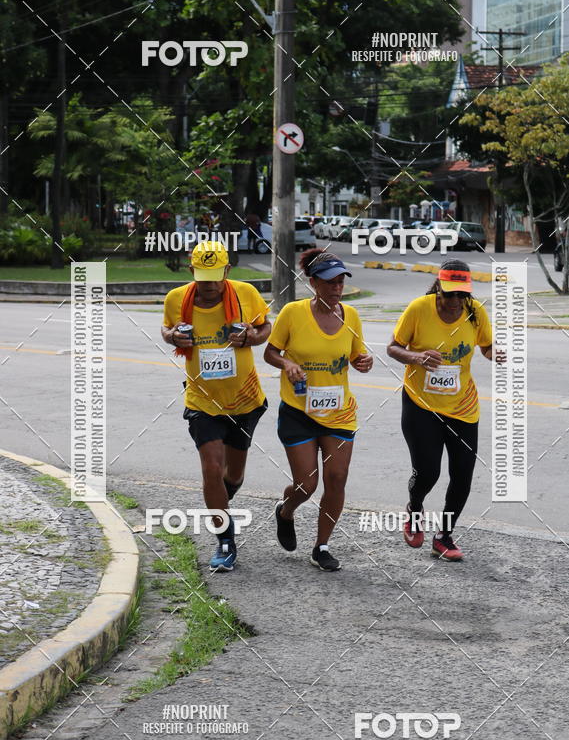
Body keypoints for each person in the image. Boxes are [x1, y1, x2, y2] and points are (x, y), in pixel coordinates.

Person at [161, 240, 271, 572]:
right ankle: (225, 540)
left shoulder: (244, 294)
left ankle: (219, 500)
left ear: (227, 270)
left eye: (215, 276)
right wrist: (172, 338)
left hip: (244, 400)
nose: (209, 285)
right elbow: (167, 329)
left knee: (232, 475)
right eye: (202, 276)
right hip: (202, 401)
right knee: (212, 468)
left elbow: (266, 326)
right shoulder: (177, 299)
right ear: (191, 270)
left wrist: (252, 336)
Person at [387, 259, 504, 561]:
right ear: (438, 287)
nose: (455, 301)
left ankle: (445, 535)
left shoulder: (475, 313)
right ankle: (414, 507)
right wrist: (416, 357)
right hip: (420, 405)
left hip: (463, 407)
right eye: (449, 294)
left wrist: (496, 353)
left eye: (461, 295)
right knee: (428, 472)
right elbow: (393, 347)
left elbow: (486, 346)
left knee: (462, 475)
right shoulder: (418, 309)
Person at [264, 248, 373, 571]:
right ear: (313, 283)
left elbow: (356, 356)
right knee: (306, 485)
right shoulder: (293, 314)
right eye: (329, 282)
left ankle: (321, 546)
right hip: (299, 411)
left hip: (339, 411)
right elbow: (270, 352)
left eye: (340, 282)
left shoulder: (351, 316)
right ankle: (286, 511)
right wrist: (287, 363)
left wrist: (363, 362)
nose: (336, 288)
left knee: (337, 478)